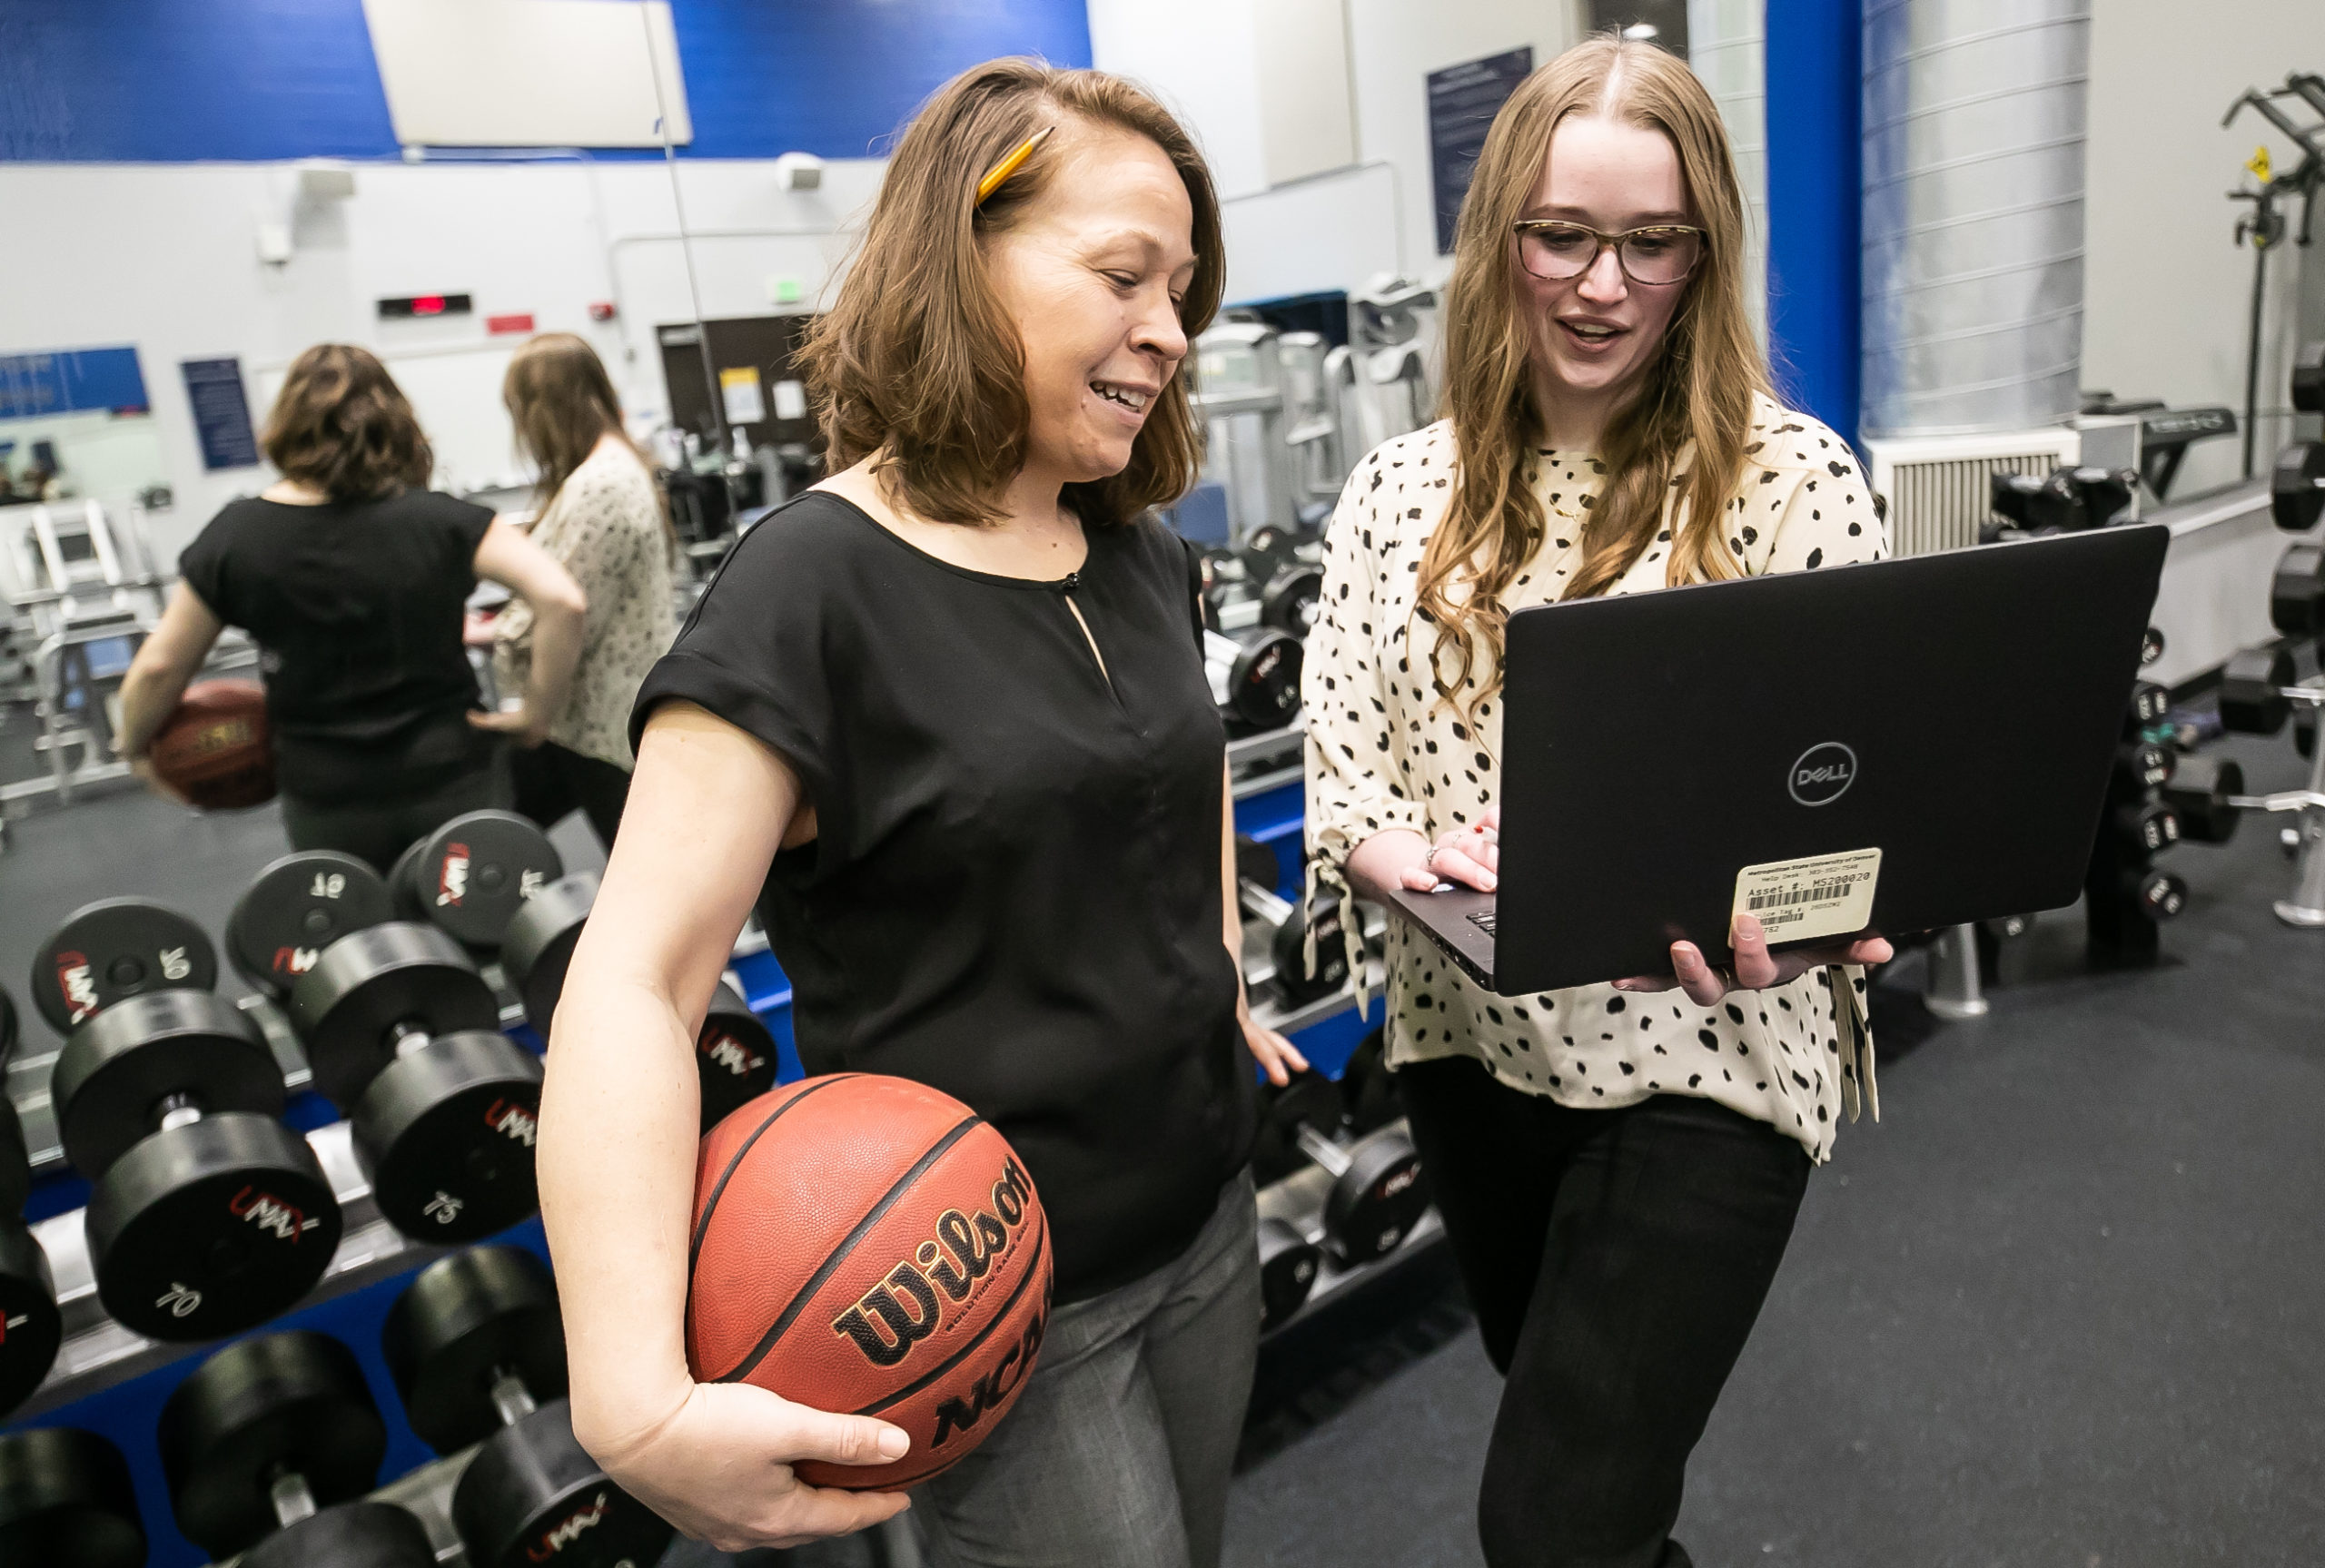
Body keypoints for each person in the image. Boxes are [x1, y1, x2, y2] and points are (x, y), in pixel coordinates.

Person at [536, 60, 1300, 1566]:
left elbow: (1187, 766)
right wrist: (625, 1397)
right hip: (1001, 1296)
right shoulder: (812, 587)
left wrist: (1215, 975)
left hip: (1212, 1212)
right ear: (963, 257)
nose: (1169, 327)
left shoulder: (1138, 551)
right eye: (1123, 275)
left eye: (1183, 288)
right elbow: (633, 983)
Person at [1302, 36, 1895, 1568]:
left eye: (1652, 243)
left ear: (1705, 257)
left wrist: (1821, 917)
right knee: (1602, 1492)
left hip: (1713, 1054)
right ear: (1501, 232)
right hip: (1473, 1051)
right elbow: (1341, 771)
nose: (1602, 284)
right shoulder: (1394, 493)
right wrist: (1399, 855)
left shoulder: (1790, 482)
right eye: (1563, 235)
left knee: (1551, 1521)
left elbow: (1852, 799)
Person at [115, 343, 587, 872]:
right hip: (450, 776)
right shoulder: (442, 521)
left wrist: (135, 746)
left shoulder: (236, 535)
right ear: (395, 422)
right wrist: (536, 716)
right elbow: (562, 600)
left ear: (287, 425)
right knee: (478, 928)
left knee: (362, 946)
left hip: (326, 794)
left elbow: (160, 666)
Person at [492, 331, 677, 849]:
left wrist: (528, 707)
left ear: (544, 409)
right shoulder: (616, 467)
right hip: (597, 725)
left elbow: (566, 613)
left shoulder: (601, 484)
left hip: (604, 732)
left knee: (651, 894)